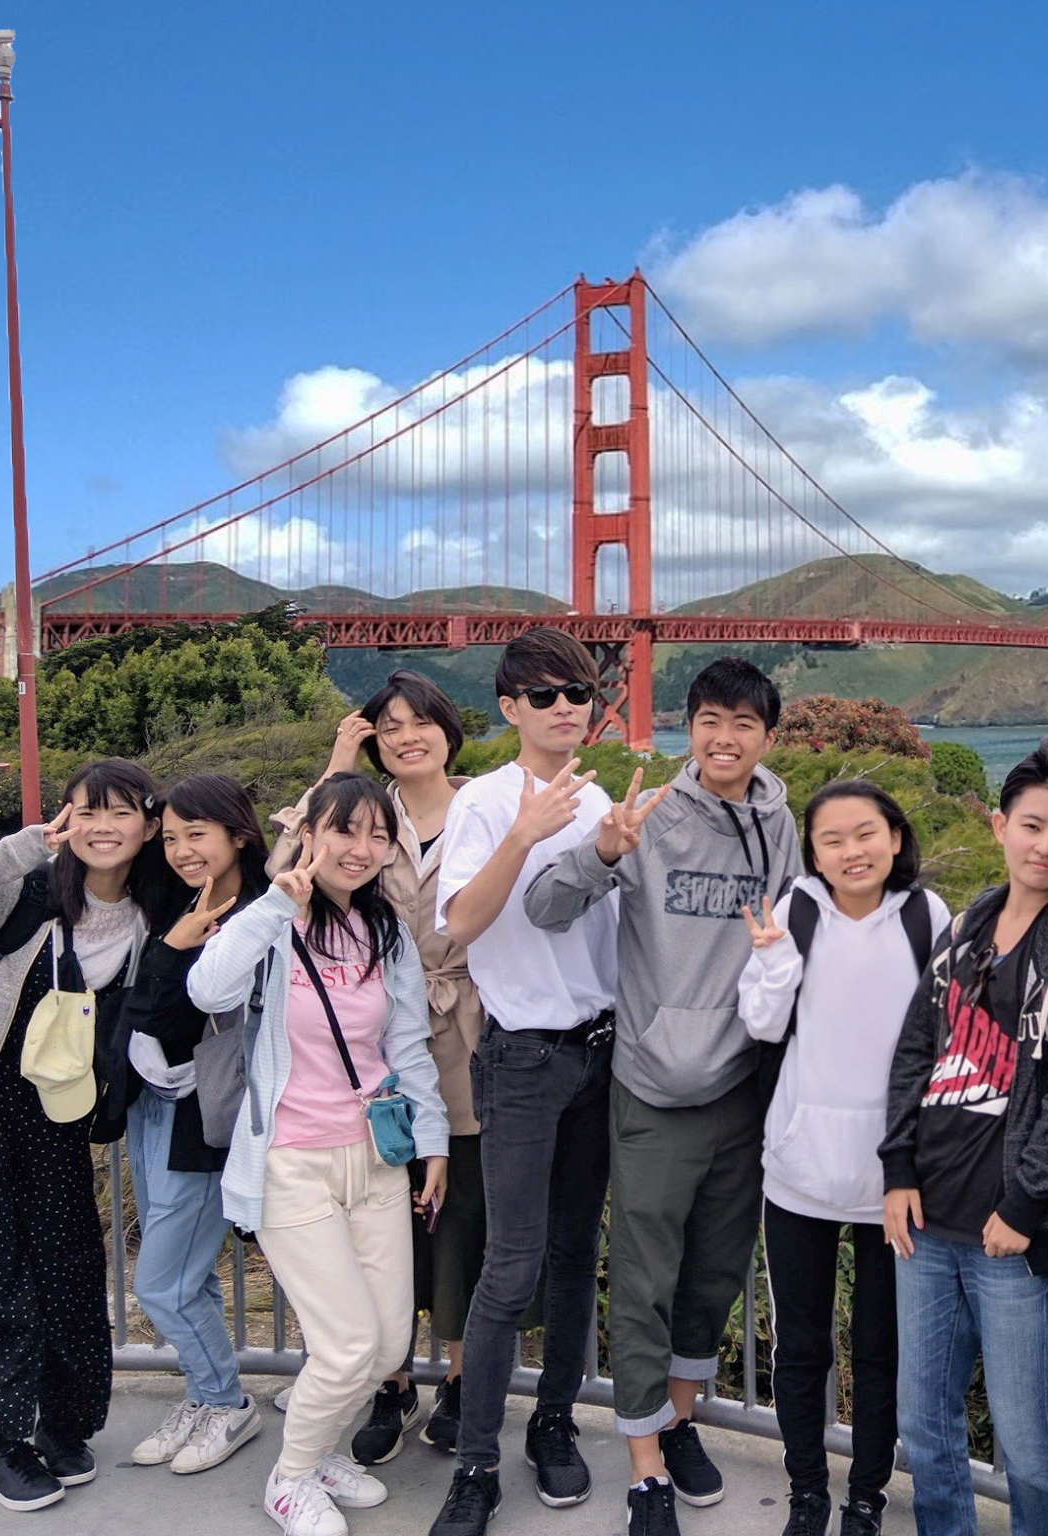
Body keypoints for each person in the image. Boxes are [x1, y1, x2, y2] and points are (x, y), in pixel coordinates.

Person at [524, 655, 800, 1536]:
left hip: (742, 1088)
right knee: (644, 1279)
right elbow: (542, 906)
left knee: (713, 1279)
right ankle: (643, 1463)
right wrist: (604, 851)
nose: (725, 739)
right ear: (689, 726)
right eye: (710, 720)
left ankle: (678, 1420)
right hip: (652, 1088)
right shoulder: (648, 815)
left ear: (767, 736)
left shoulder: (780, 822)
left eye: (744, 724)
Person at [0, 759, 178, 1513]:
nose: (102, 827)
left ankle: (65, 1422)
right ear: (65, 820)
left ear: (149, 825)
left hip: (57, 1110)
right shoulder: (25, 884)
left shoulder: (157, 909)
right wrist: (20, 847)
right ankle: (1, 1443)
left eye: (120, 813)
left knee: (69, 1260)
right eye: (86, 811)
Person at [188, 773, 450, 1536]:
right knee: (347, 1343)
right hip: (291, 1161)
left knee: (388, 1337)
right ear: (311, 834)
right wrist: (277, 903)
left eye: (378, 835)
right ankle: (292, 1476)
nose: (362, 850)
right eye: (345, 830)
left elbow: (406, 1045)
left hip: (372, 1155)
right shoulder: (268, 920)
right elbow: (206, 989)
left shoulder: (386, 930)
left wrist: (429, 1141)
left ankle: (321, 1449)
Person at [879, 740, 1048, 1536]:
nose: (1045, 847)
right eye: (1032, 826)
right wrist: (897, 1169)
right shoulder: (970, 922)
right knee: (925, 1428)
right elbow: (918, 1048)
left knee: (1031, 1446)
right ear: (1000, 824)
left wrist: (1025, 1203)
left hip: (1012, 1232)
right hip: (926, 1222)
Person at [425, 629, 621, 1536]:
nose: (564, 707)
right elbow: (459, 922)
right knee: (511, 1264)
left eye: (578, 691)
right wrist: (523, 833)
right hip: (522, 1059)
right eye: (542, 696)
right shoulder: (485, 803)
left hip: (600, 1053)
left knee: (578, 1256)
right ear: (508, 710)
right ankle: (474, 1464)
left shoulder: (603, 798)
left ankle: (553, 1425)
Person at [270, 670, 490, 1464]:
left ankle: (462, 1380)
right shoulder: (363, 813)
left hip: (465, 1037)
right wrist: (336, 760)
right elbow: (285, 873)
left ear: (447, 729)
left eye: (419, 721)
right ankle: (388, 1381)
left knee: (461, 1215)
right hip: (363, 1055)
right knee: (381, 1226)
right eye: (385, 725)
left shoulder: (487, 807)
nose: (404, 736)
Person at [739, 780, 951, 1536]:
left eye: (867, 833)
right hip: (800, 1172)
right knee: (800, 1346)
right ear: (814, 851)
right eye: (832, 839)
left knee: (879, 1350)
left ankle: (866, 1497)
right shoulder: (793, 911)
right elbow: (763, 1026)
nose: (851, 851)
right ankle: (806, 1493)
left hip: (897, 1181)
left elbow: (948, 1044)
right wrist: (769, 962)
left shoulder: (929, 917)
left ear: (895, 838)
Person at [114, 773, 270, 1476]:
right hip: (152, 1108)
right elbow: (150, 1012)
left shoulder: (259, 914)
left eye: (195, 834)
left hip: (204, 1117)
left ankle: (226, 1403)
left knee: (161, 1285)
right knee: (188, 1279)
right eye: (170, 836)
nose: (180, 850)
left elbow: (170, 1013)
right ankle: (205, 1399)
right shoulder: (178, 899)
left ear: (238, 833)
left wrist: (172, 951)